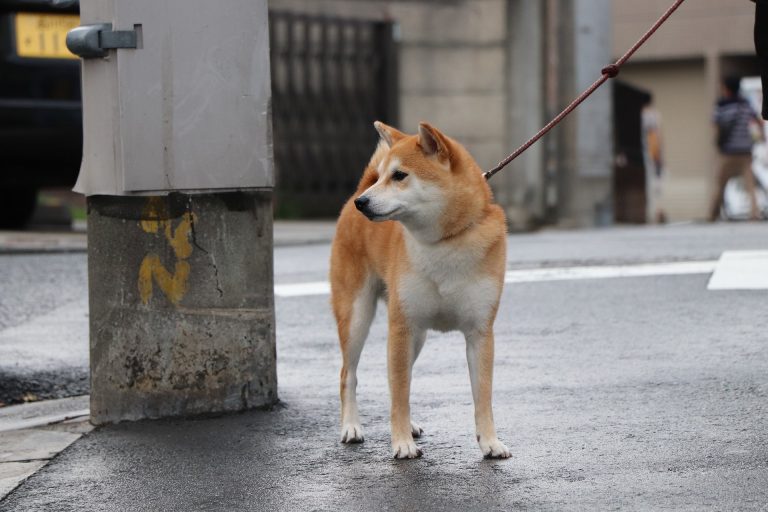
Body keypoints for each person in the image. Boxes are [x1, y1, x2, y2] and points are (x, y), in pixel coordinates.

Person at [710, 76, 762, 221]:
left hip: (728, 151)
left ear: (725, 88)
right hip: (745, 151)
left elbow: (716, 126)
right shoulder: (746, 104)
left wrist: (718, 144)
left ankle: (712, 215)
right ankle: (754, 214)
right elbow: (757, 121)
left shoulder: (721, 106)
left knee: (720, 184)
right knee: (750, 185)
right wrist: (760, 139)